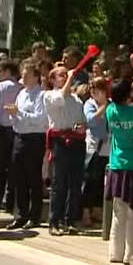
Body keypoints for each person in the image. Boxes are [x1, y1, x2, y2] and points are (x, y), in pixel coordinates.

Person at [105, 78, 133, 263]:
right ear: (128, 95)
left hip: (117, 166)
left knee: (118, 212)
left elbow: (126, 94)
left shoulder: (110, 111)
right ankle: (131, 254)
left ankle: (115, 253)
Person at [5, 62, 48, 230]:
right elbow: (16, 116)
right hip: (19, 137)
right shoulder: (21, 93)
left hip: (34, 139)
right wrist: (13, 116)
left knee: (33, 178)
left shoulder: (41, 96)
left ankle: (34, 216)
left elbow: (39, 119)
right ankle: (21, 215)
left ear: (36, 77)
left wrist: (19, 113)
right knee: (18, 177)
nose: (23, 77)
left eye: (27, 74)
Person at [44, 67, 86, 236]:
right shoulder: (49, 95)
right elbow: (62, 96)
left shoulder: (77, 100)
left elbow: (83, 120)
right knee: (59, 183)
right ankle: (54, 221)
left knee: (76, 183)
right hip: (60, 142)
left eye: (65, 74)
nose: (65, 76)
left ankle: (71, 219)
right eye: (61, 75)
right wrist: (70, 78)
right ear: (53, 80)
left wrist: (83, 127)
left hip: (77, 142)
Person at [0, 60, 23, 212]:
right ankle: (10, 202)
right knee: (12, 168)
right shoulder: (21, 87)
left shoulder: (2, 86)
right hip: (15, 130)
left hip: (0, 130)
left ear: (8, 71)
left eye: (1, 70)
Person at [82, 77, 110, 228]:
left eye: (98, 88)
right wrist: (103, 107)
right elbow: (91, 120)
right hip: (93, 148)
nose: (94, 92)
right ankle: (85, 211)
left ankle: (97, 211)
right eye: (92, 88)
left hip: (108, 148)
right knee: (89, 181)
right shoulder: (89, 104)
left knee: (101, 183)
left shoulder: (111, 104)